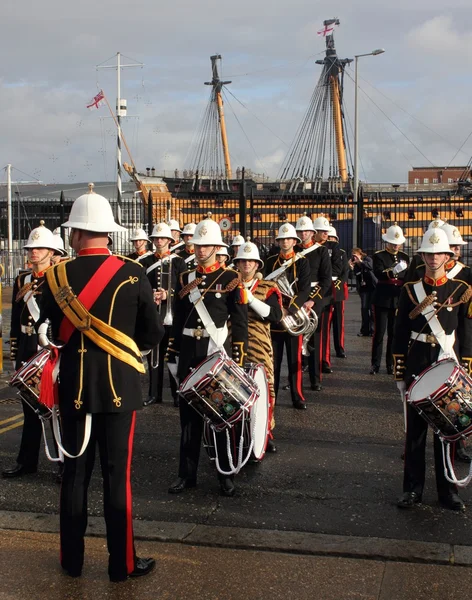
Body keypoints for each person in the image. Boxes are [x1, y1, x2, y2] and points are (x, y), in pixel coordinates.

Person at [36, 183, 164, 581]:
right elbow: (153, 335)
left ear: (74, 233)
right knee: (117, 478)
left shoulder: (56, 276)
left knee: (74, 477)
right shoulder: (133, 273)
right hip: (119, 389)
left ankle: (71, 561)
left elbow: (50, 330)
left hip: (73, 388)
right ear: (109, 231)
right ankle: (121, 565)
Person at [167, 216, 248, 497]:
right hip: (189, 352)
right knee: (188, 422)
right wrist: (173, 353)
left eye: (206, 246)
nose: (201, 250)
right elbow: (178, 322)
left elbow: (239, 322)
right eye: (198, 245)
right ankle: (186, 475)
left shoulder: (230, 279)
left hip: (215, 353)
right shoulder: (185, 278)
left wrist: (237, 355)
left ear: (216, 247)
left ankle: (225, 474)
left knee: (220, 417)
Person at [393, 228, 472, 511]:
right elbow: (400, 331)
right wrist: (399, 370)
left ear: (448, 255)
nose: (434, 257)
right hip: (417, 362)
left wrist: (467, 365)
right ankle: (412, 489)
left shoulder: (461, 289)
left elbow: (466, 330)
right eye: (429, 252)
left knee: (447, 430)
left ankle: (447, 492)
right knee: (414, 432)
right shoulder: (410, 289)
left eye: (440, 253)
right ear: (423, 256)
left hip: (446, 361)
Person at [2, 222, 60, 480]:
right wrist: (16, 356)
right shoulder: (22, 280)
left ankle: (62, 462)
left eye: (39, 248)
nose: (33, 253)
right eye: (31, 248)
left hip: (47, 352)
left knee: (54, 410)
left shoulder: (59, 278)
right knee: (29, 411)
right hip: (27, 351)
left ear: (50, 251)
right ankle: (27, 462)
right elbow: (16, 319)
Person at [234, 240, 283, 452]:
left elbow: (274, 315)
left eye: (251, 262)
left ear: (257, 265)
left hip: (259, 344)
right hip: (232, 343)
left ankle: (265, 433)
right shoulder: (229, 284)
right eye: (243, 261)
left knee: (264, 389)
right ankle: (237, 432)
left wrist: (251, 298)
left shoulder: (268, 287)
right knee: (234, 391)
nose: (246, 265)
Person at [264, 222, 311, 409]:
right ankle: (271, 395)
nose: (285, 242)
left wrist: (290, 308)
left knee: (295, 360)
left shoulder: (302, 262)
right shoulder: (270, 262)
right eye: (282, 239)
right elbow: (266, 288)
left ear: (294, 241)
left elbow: (305, 288)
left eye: (288, 239)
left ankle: (297, 395)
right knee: (273, 360)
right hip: (276, 317)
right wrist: (277, 309)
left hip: (293, 318)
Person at [143, 222, 186, 406]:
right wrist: (150, 294)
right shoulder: (146, 261)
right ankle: (154, 394)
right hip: (154, 316)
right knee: (154, 357)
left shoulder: (178, 261)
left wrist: (168, 294)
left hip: (173, 316)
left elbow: (185, 288)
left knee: (173, 355)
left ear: (170, 240)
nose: (159, 241)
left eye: (163, 238)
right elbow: (140, 286)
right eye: (156, 238)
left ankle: (177, 394)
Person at [294, 215, 332, 392]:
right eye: (300, 231)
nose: (303, 234)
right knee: (295, 340)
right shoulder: (293, 250)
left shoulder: (321, 251)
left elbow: (325, 280)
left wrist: (312, 300)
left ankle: (315, 379)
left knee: (313, 340)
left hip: (314, 299)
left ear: (312, 232)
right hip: (295, 298)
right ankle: (296, 379)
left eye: (306, 231)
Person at [370, 223, 409, 375]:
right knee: (379, 333)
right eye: (393, 243)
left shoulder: (404, 257)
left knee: (394, 333)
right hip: (382, 296)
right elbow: (378, 273)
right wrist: (393, 272)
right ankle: (375, 364)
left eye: (398, 243)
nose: (396, 246)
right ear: (387, 242)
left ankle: (390, 364)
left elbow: (407, 277)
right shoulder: (379, 255)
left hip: (397, 297)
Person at [312, 217, 343, 375]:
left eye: (326, 231)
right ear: (314, 232)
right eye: (322, 231)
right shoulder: (309, 247)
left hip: (325, 293)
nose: (325, 234)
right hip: (308, 294)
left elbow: (337, 268)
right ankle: (307, 361)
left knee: (323, 330)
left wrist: (322, 277)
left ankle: (324, 360)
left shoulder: (333, 246)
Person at [327, 226, 349, 359]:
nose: (330, 240)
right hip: (324, 290)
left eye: (332, 238)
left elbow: (345, 271)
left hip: (338, 290)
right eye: (329, 238)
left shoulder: (341, 253)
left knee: (338, 322)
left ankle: (339, 348)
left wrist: (338, 283)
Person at [349, 248, 376, 337]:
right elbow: (353, 276)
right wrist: (351, 268)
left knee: (372, 310)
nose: (354, 258)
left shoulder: (367, 259)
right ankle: (364, 330)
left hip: (372, 287)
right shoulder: (356, 265)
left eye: (356, 255)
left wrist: (361, 261)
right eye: (353, 256)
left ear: (360, 254)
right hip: (363, 289)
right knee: (364, 309)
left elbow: (370, 267)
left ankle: (373, 330)